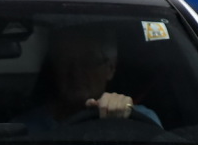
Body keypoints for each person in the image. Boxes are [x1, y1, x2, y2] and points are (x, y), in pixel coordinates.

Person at [17, 23, 160, 134]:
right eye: (65, 61)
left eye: (89, 61)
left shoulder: (139, 118)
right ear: (55, 68)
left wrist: (121, 120)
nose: (76, 72)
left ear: (110, 69)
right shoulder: (27, 127)